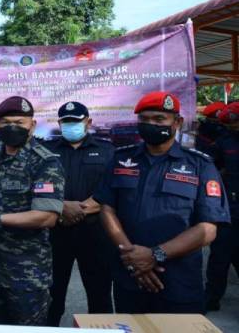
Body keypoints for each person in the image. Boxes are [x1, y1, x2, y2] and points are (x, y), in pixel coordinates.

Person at [94, 91, 230, 313]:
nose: (151, 124)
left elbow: (208, 228)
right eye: (145, 119)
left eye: (159, 119)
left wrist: (155, 254)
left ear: (177, 122)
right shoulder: (121, 159)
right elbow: (107, 208)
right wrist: (131, 255)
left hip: (179, 281)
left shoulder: (200, 165)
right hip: (131, 276)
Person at [0, 96, 65, 326]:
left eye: (19, 122)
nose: (12, 127)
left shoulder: (45, 162)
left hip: (26, 271)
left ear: (32, 124)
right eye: (5, 122)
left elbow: (47, 216)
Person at [42, 102, 114, 326]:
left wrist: (80, 209)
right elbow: (39, 185)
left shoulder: (107, 151)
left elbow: (112, 188)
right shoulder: (46, 151)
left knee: (99, 296)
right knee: (51, 296)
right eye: (66, 121)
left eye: (76, 121)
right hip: (55, 233)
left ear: (88, 122)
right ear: (60, 123)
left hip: (95, 234)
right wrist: (61, 206)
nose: (71, 125)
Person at [205, 101, 239, 311]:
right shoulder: (224, 142)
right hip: (230, 210)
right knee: (219, 257)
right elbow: (210, 169)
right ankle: (211, 298)